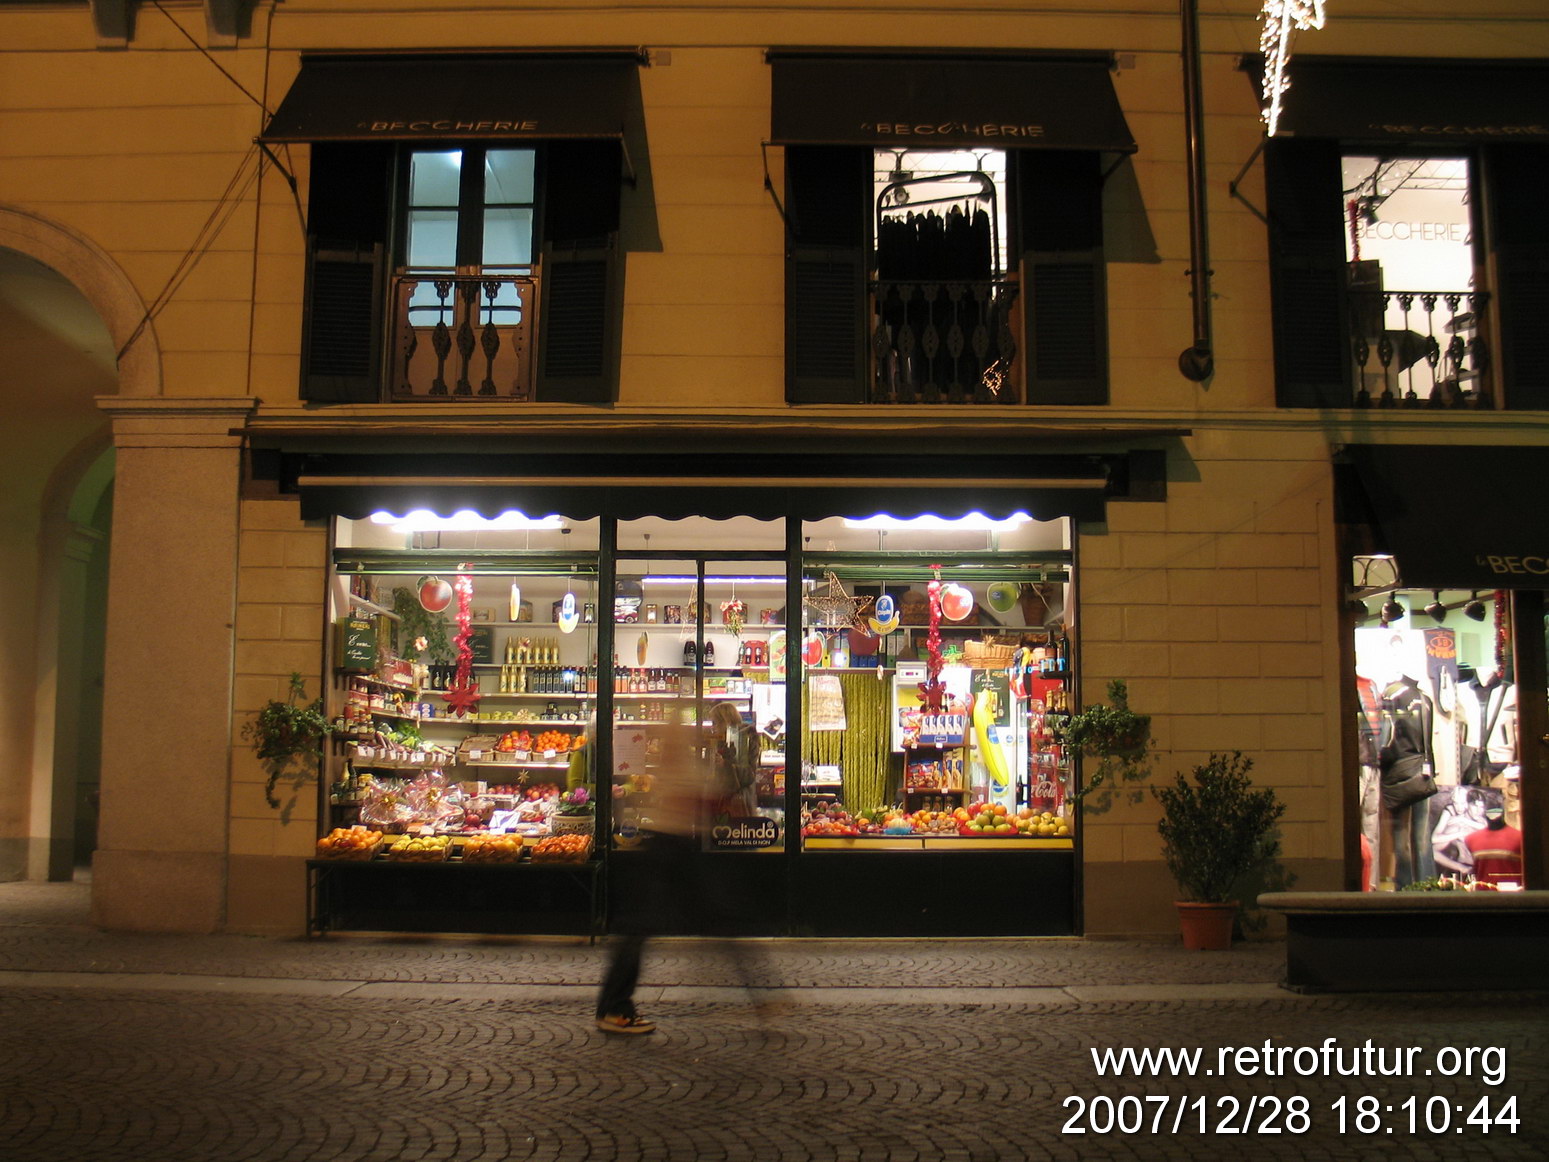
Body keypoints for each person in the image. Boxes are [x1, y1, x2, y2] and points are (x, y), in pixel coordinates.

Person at [594, 720, 765, 1035]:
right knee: (656, 924)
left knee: (701, 918)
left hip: (676, 843)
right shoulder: (678, 754)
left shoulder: (684, 754)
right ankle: (614, 1007)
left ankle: (761, 994)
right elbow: (687, 796)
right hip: (671, 844)